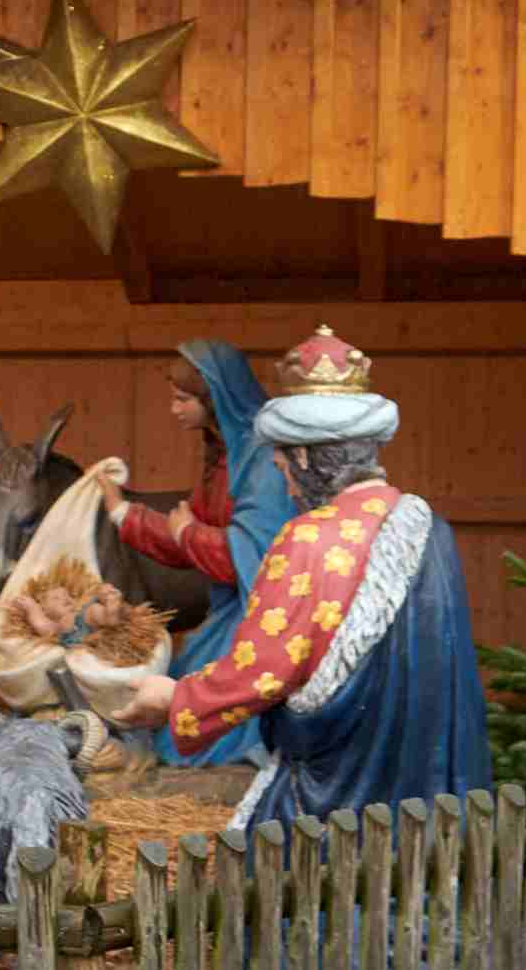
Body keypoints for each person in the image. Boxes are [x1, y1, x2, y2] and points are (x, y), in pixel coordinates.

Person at [112, 326, 492, 829]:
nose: (277, 465)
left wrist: (173, 699)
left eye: (284, 453)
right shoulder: (428, 527)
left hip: (338, 784)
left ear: (311, 456)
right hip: (426, 772)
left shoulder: (309, 539)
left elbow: (262, 670)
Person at [94, 341, 290, 769]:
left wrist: (189, 533)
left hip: (266, 616)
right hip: (229, 610)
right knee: (184, 682)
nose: (173, 409)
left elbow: (253, 560)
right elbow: (189, 536)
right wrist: (124, 512)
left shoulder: (263, 461)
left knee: (205, 703)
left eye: (183, 398)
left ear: (215, 398)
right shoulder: (224, 456)